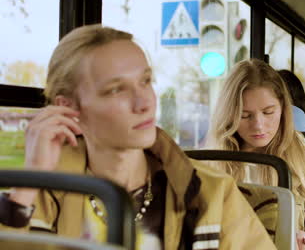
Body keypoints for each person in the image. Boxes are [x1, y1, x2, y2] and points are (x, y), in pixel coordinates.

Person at [0, 25, 277, 250]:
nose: (144, 102)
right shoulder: (40, 196)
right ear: (69, 108)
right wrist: (29, 181)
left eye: (145, 81)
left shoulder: (211, 192)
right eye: (116, 90)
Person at [206, 59, 305, 250]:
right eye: (244, 115)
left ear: (283, 110)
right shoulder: (210, 167)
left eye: (268, 112)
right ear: (229, 115)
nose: (258, 125)